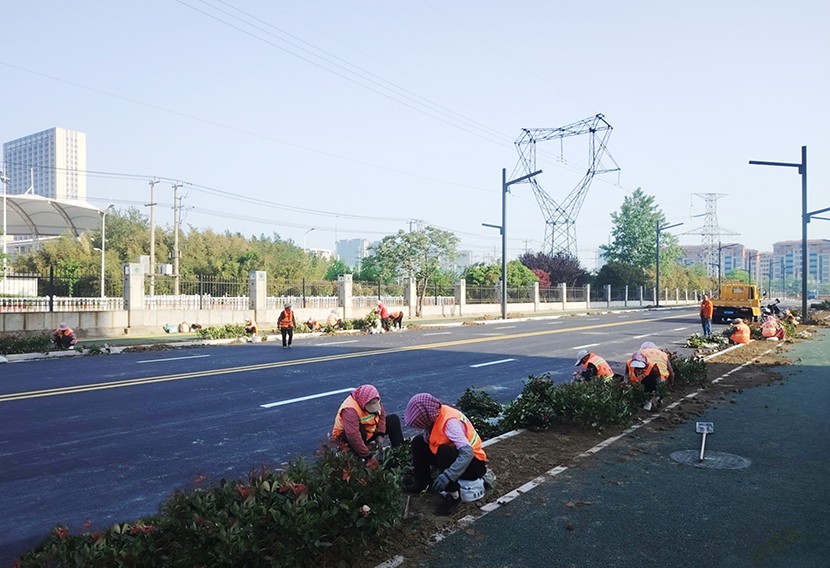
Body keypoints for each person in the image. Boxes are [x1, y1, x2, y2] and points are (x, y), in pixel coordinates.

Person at [403, 393, 488, 516]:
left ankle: (453, 495)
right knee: (418, 441)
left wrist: (448, 475)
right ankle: (422, 482)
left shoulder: (450, 423)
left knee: (444, 451)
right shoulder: (435, 415)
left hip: (473, 464)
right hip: (455, 458)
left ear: (426, 418)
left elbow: (467, 453)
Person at [330, 384, 403, 464]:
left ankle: (400, 454)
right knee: (360, 430)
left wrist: (380, 434)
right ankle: (356, 459)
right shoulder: (350, 410)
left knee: (393, 420)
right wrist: (368, 456)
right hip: (348, 439)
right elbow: (353, 436)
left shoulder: (375, 399)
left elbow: (381, 416)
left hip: (368, 431)